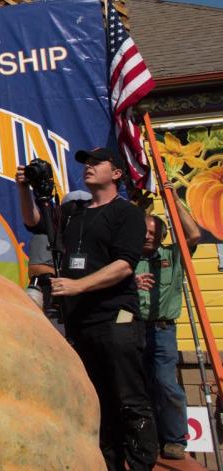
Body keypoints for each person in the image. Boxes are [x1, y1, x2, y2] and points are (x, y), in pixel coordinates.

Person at [17, 147, 157, 470]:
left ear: (117, 173)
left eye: (97, 163)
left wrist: (78, 285)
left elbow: (124, 266)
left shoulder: (128, 214)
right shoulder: (73, 212)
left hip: (117, 319)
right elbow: (34, 221)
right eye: (86, 164)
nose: (89, 168)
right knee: (98, 403)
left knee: (129, 399)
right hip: (80, 323)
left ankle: (141, 464)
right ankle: (108, 464)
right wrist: (23, 188)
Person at [135, 181, 201, 460]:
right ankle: (145, 439)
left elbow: (194, 235)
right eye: (145, 232)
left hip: (162, 331)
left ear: (162, 236)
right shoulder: (127, 259)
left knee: (164, 382)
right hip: (133, 329)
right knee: (138, 386)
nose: (149, 236)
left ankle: (174, 438)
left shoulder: (172, 256)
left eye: (154, 232)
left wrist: (172, 197)